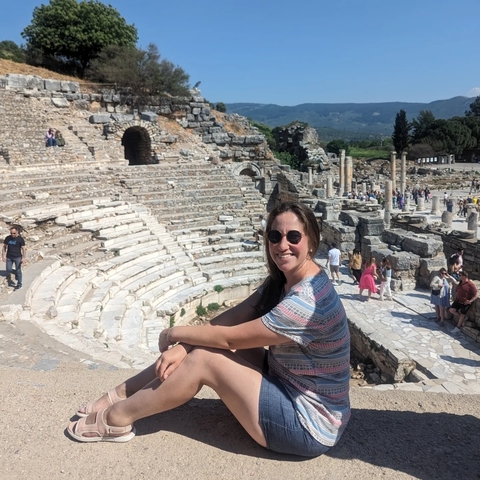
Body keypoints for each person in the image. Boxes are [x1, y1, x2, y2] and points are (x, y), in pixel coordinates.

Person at [67, 201, 351, 456]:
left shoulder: (307, 302)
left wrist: (173, 334)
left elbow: (227, 339)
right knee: (203, 346)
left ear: (311, 241)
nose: (282, 244)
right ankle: (120, 393)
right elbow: (231, 319)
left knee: (205, 359)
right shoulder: (286, 280)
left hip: (306, 426)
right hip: (288, 384)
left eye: (293, 237)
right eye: (275, 236)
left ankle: (116, 417)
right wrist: (185, 347)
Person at [449, 271, 478, 335]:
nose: (459, 277)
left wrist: (470, 301)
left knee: (463, 314)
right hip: (458, 300)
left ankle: (458, 327)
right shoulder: (461, 282)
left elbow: (476, 294)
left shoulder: (470, 284)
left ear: (464, 276)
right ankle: (461, 318)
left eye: (460, 276)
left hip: (465, 302)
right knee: (451, 310)